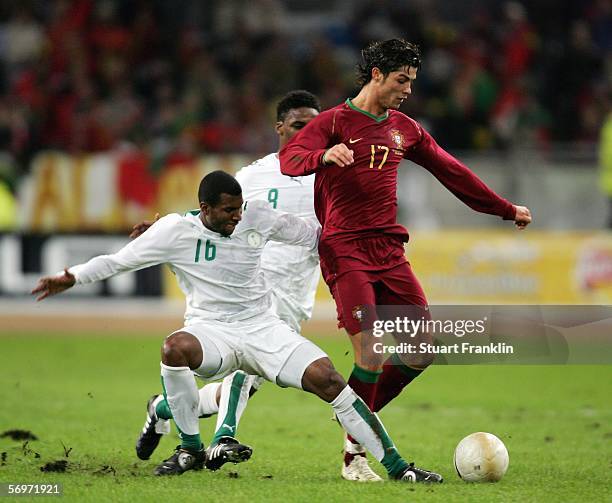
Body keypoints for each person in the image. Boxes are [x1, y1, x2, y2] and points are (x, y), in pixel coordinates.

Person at [31, 170, 443, 482]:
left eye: (239, 208)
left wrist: (363, 238)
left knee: (331, 379)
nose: (236, 217)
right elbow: (118, 261)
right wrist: (72, 276)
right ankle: (190, 447)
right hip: (212, 330)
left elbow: (309, 234)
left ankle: (398, 467)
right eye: (228, 210)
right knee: (174, 349)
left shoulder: (254, 217)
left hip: (264, 327)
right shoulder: (173, 230)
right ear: (205, 208)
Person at [279, 39, 532, 477]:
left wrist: (504, 208)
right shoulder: (333, 121)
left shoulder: (404, 128)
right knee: (372, 354)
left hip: (389, 252)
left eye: (412, 81)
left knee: (421, 351)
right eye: (402, 79)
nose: (408, 89)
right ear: (376, 74)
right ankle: (355, 457)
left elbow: (451, 170)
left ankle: (353, 413)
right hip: (346, 249)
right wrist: (323, 155)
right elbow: (290, 158)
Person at [130, 91, 326, 474]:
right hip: (254, 285)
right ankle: (222, 439)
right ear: (280, 128)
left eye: (315, 126)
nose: (308, 133)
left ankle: (162, 407)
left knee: (241, 387)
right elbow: (213, 212)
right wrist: (165, 228)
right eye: (300, 125)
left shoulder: (330, 173)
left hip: (297, 292)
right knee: (245, 368)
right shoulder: (254, 175)